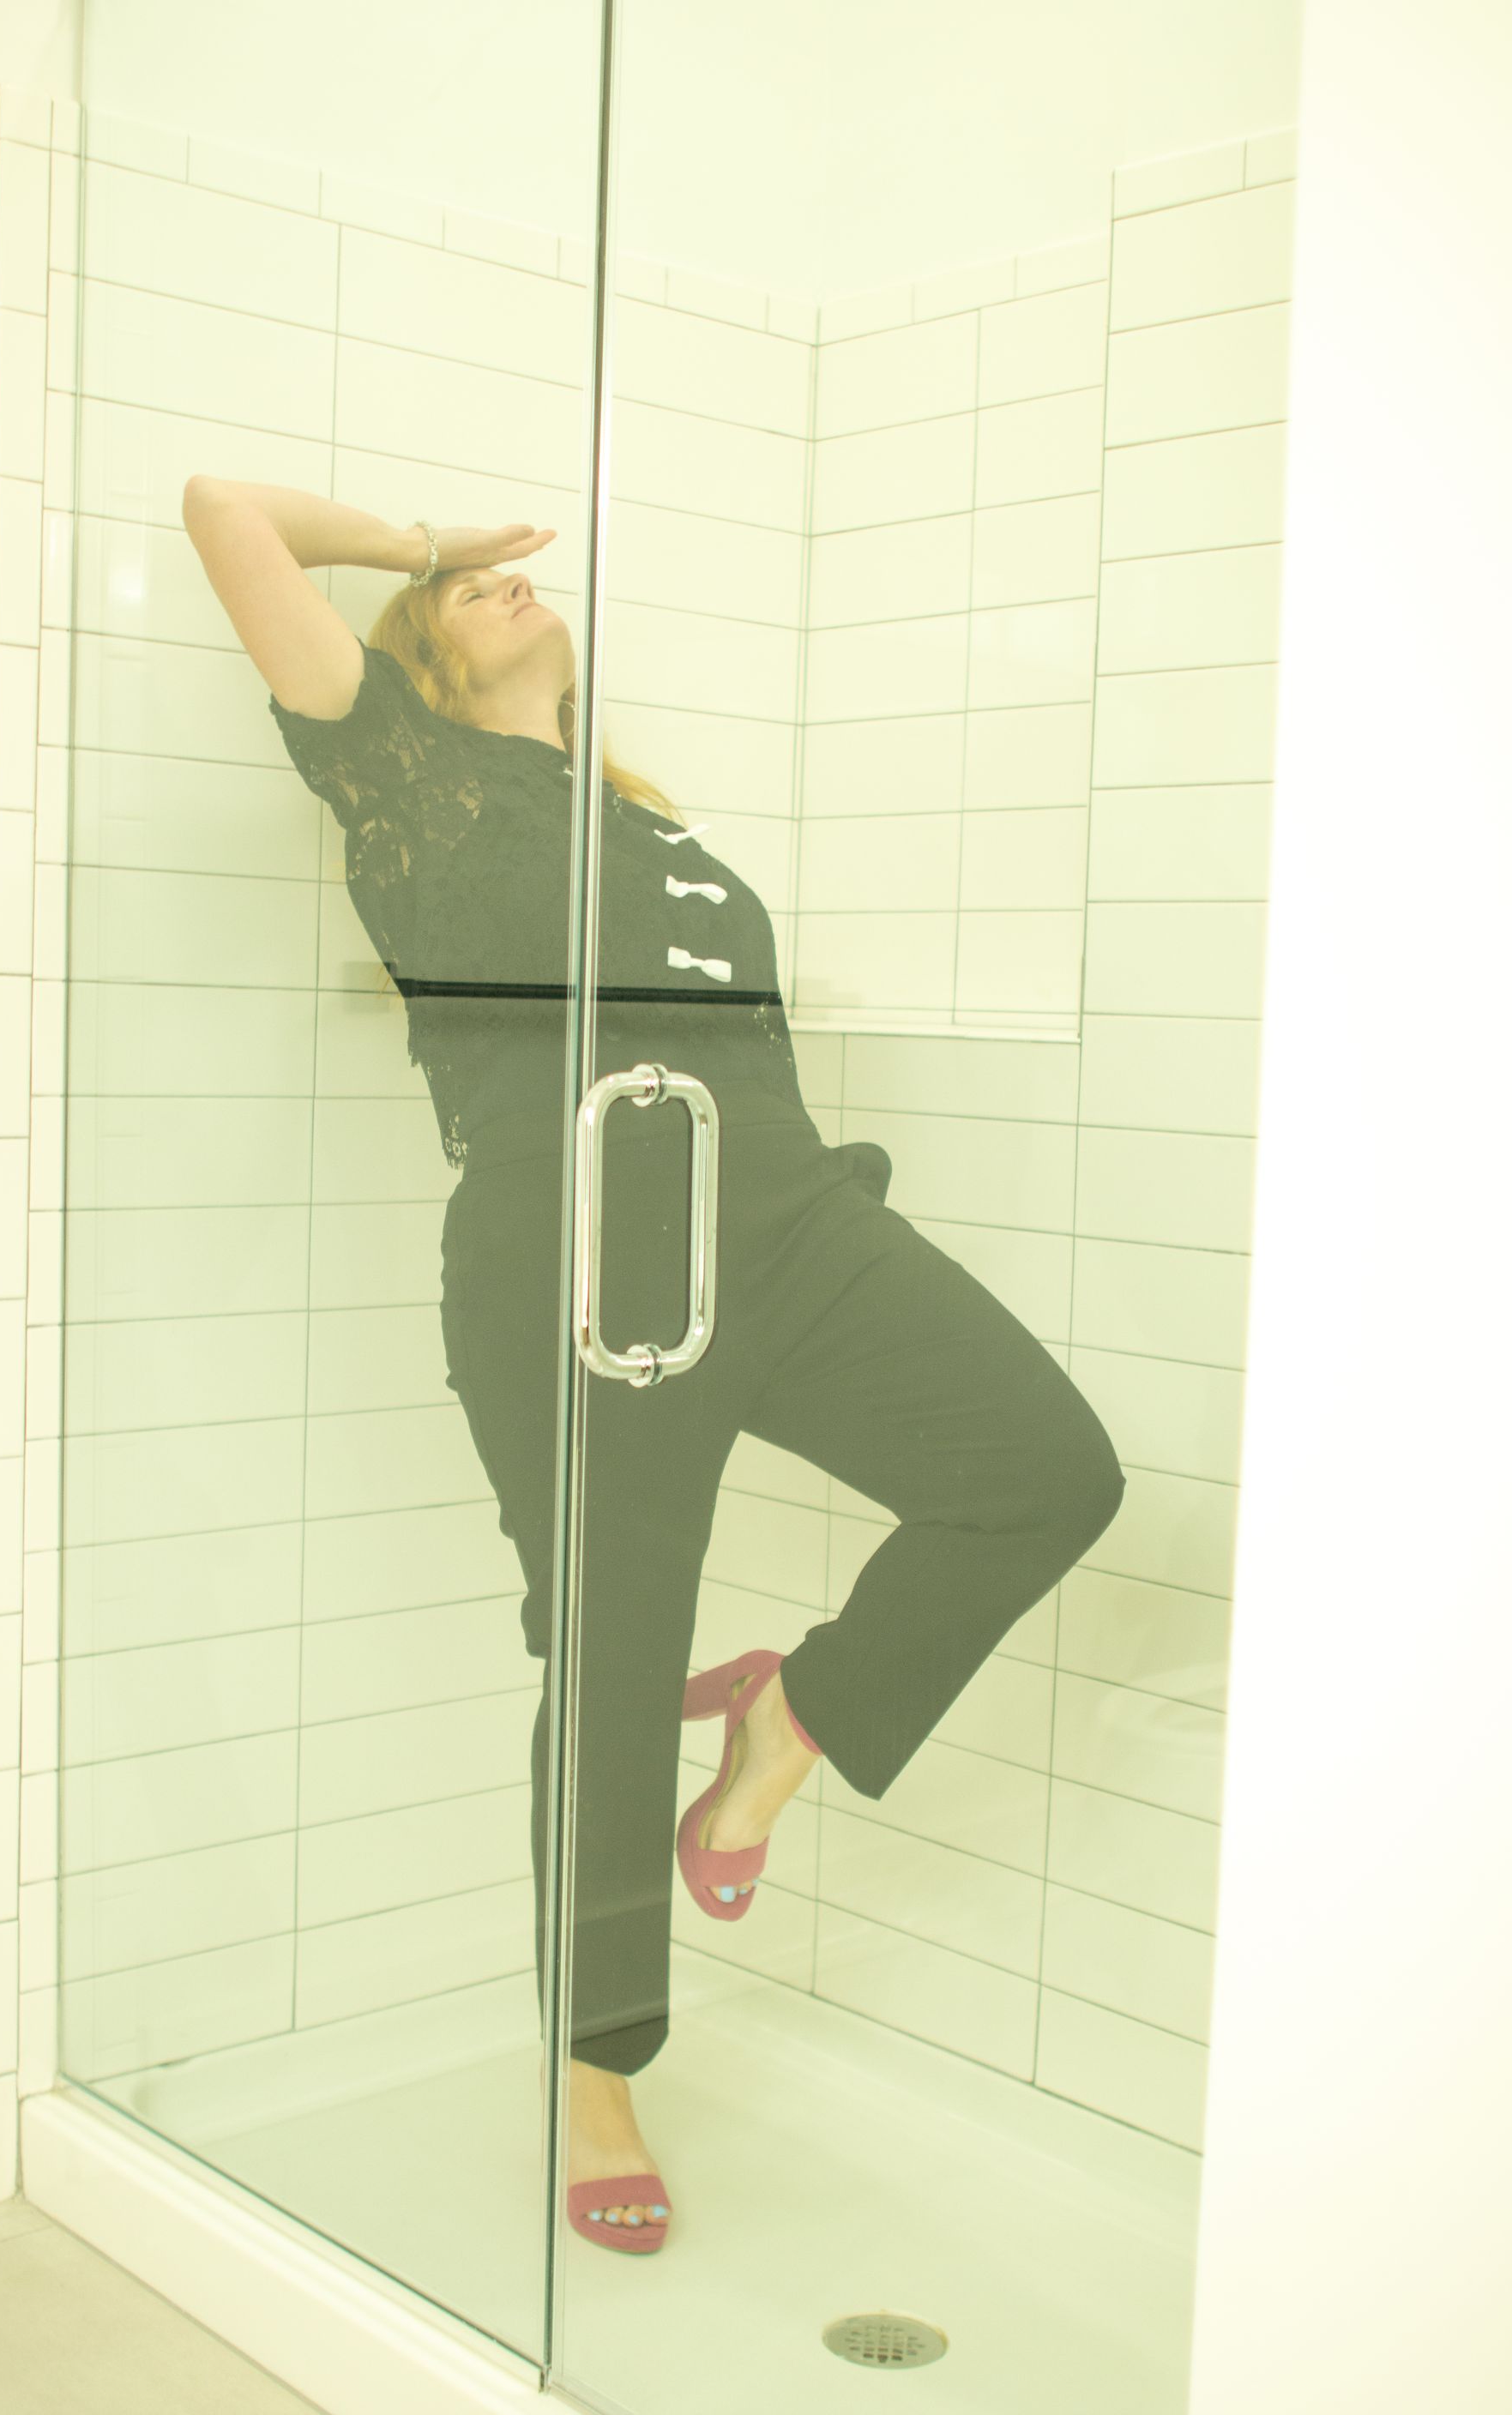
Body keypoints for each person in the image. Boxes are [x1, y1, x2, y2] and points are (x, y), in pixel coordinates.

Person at [182, 477, 1128, 2257]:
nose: (502, 599)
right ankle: (599, 2080)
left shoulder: (659, 825)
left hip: (782, 1220)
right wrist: (427, 546)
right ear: (418, 659)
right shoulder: (401, 779)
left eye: (504, 587)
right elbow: (226, 518)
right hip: (575, 1261)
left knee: (1044, 1472)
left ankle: (792, 1724)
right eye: (465, 604)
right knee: (613, 1671)